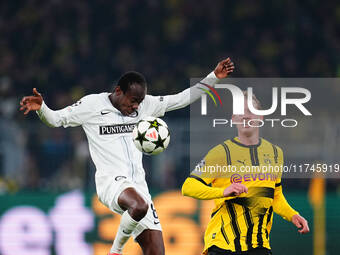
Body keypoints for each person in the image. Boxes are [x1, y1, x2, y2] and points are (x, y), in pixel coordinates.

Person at [19, 58, 235, 255]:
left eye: (139, 102)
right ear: (118, 91)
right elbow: (57, 120)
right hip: (110, 183)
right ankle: (115, 251)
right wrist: (42, 108)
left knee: (156, 250)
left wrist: (214, 77)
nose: (136, 106)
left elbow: (181, 99)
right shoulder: (92, 105)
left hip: (139, 186)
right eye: (132, 100)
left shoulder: (144, 105)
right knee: (138, 206)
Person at [181, 92, 309, 255]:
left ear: (261, 117)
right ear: (234, 118)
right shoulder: (221, 153)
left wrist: (293, 215)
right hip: (223, 244)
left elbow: (275, 195)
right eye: (240, 113)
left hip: (259, 244)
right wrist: (222, 192)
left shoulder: (276, 154)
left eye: (250, 111)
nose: (245, 116)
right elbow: (188, 186)